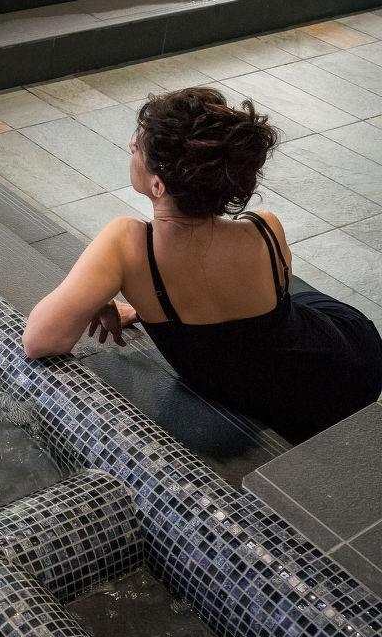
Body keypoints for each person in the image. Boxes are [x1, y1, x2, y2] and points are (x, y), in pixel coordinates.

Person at [22, 86, 382, 443]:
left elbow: (39, 342)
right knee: (289, 299)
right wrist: (142, 307)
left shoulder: (126, 243)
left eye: (139, 148)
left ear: (158, 186)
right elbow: (245, 323)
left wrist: (101, 297)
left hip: (293, 404)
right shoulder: (265, 228)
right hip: (353, 371)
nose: (131, 146)